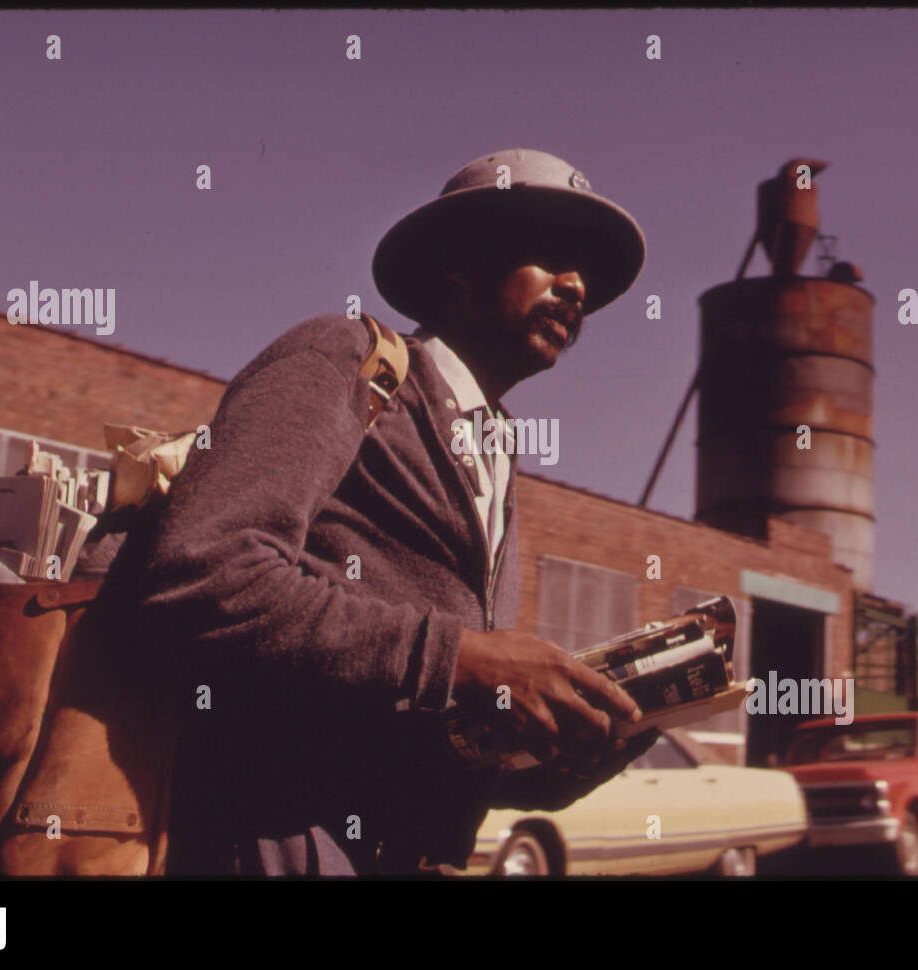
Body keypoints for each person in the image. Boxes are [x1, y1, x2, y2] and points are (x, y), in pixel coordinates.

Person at [123, 148, 653, 875]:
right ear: (457, 263)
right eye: (549, 252)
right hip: (280, 840)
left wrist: (575, 749)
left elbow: (427, 721)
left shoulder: (495, 452)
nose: (576, 285)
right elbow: (202, 571)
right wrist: (460, 657)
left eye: (585, 270)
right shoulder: (345, 360)